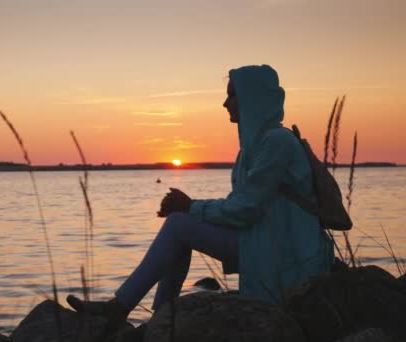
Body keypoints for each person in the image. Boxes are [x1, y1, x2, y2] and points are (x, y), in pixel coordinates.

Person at [67, 64, 334, 321]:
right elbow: (239, 205)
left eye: (232, 95)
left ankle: (124, 308)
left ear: (252, 98)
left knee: (179, 225)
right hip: (261, 245)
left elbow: (246, 210)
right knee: (180, 227)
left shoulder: (278, 142)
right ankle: (161, 319)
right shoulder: (252, 149)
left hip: (286, 257)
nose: (225, 103)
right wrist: (189, 208)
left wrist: (191, 206)